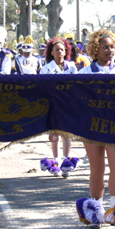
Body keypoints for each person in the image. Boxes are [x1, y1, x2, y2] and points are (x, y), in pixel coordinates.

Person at [75, 30, 115, 229]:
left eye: (112, 47)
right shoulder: (84, 73)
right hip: (92, 126)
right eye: (105, 47)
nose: (110, 50)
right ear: (95, 49)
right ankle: (95, 212)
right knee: (97, 168)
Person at [40, 38, 79, 178]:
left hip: (67, 104)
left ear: (66, 51)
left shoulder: (72, 67)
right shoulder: (46, 69)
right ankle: (55, 161)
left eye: (62, 50)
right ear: (51, 52)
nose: (59, 52)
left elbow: (77, 86)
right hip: (53, 105)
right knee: (54, 135)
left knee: (66, 135)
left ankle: (66, 162)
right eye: (57, 50)